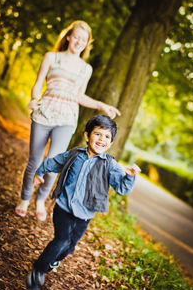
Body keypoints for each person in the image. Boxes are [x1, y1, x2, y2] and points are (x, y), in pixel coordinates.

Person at [15, 20, 121, 221]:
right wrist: (33, 99)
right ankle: (24, 198)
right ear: (69, 37)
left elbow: (79, 96)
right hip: (44, 113)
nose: (79, 42)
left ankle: (40, 199)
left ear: (86, 43)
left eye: (84, 39)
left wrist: (101, 105)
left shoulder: (85, 69)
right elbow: (38, 83)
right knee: (35, 160)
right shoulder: (51, 57)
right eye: (77, 37)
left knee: (54, 161)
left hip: (67, 118)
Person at [26, 114, 141, 289]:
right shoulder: (74, 155)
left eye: (107, 137)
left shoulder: (110, 165)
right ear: (87, 136)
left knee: (69, 247)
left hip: (85, 215)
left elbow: (122, 188)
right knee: (62, 239)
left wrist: (130, 177)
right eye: (98, 134)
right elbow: (53, 162)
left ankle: (53, 260)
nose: (102, 139)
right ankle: (38, 271)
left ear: (110, 143)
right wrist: (40, 172)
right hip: (64, 207)